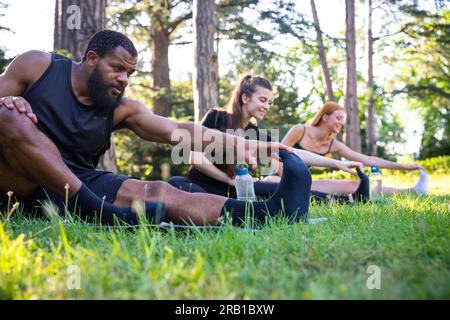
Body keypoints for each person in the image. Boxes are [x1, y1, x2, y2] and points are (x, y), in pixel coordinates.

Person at [0, 30, 312, 226]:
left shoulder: (122, 106)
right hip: (17, 182)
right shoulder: (38, 67)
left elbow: (177, 130)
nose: (124, 79)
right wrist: (11, 101)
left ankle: (269, 213)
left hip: (74, 184)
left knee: (156, 191)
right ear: (92, 59)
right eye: (118, 68)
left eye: (130, 73)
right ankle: (98, 210)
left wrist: (245, 145)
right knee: (9, 115)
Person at [168, 74, 369, 203]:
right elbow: (193, 157)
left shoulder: (254, 132)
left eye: (269, 102)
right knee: (176, 182)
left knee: (276, 187)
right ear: (245, 98)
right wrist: (228, 180)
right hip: (201, 186)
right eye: (263, 100)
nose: (266, 106)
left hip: (233, 190)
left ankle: (347, 200)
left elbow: (290, 151)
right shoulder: (216, 116)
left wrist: (336, 163)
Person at [275, 101, 429, 195]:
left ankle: (413, 191)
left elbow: (367, 159)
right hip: (276, 180)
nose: (341, 123)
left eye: (343, 120)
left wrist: (405, 167)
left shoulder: (332, 144)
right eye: (338, 118)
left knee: (355, 184)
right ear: (325, 117)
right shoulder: (300, 130)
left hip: (301, 183)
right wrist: (288, 179)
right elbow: (277, 155)